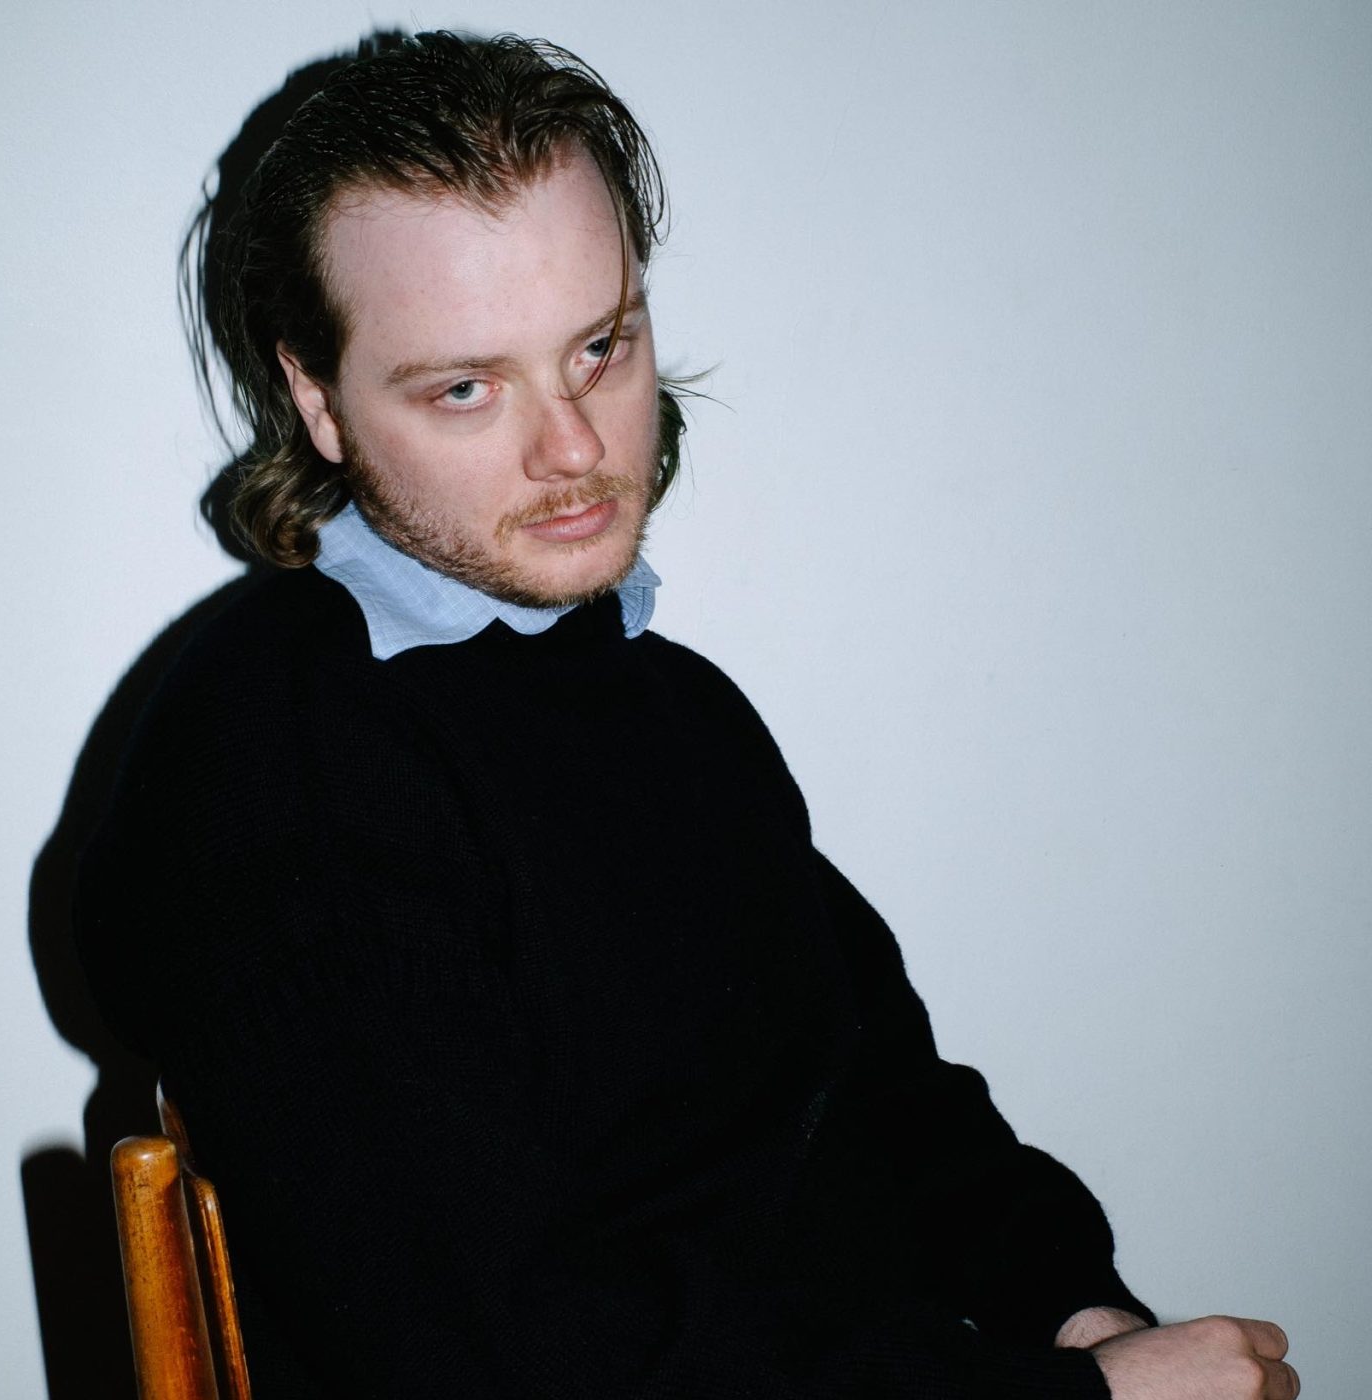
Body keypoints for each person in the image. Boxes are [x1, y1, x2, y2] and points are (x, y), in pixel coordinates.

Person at [74, 30, 1298, 1400]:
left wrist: (1075, 1310)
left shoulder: (665, 704)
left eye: (600, 346)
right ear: (318, 397)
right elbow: (510, 1354)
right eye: (467, 387)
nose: (577, 446)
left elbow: (887, 1097)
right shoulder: (277, 766)